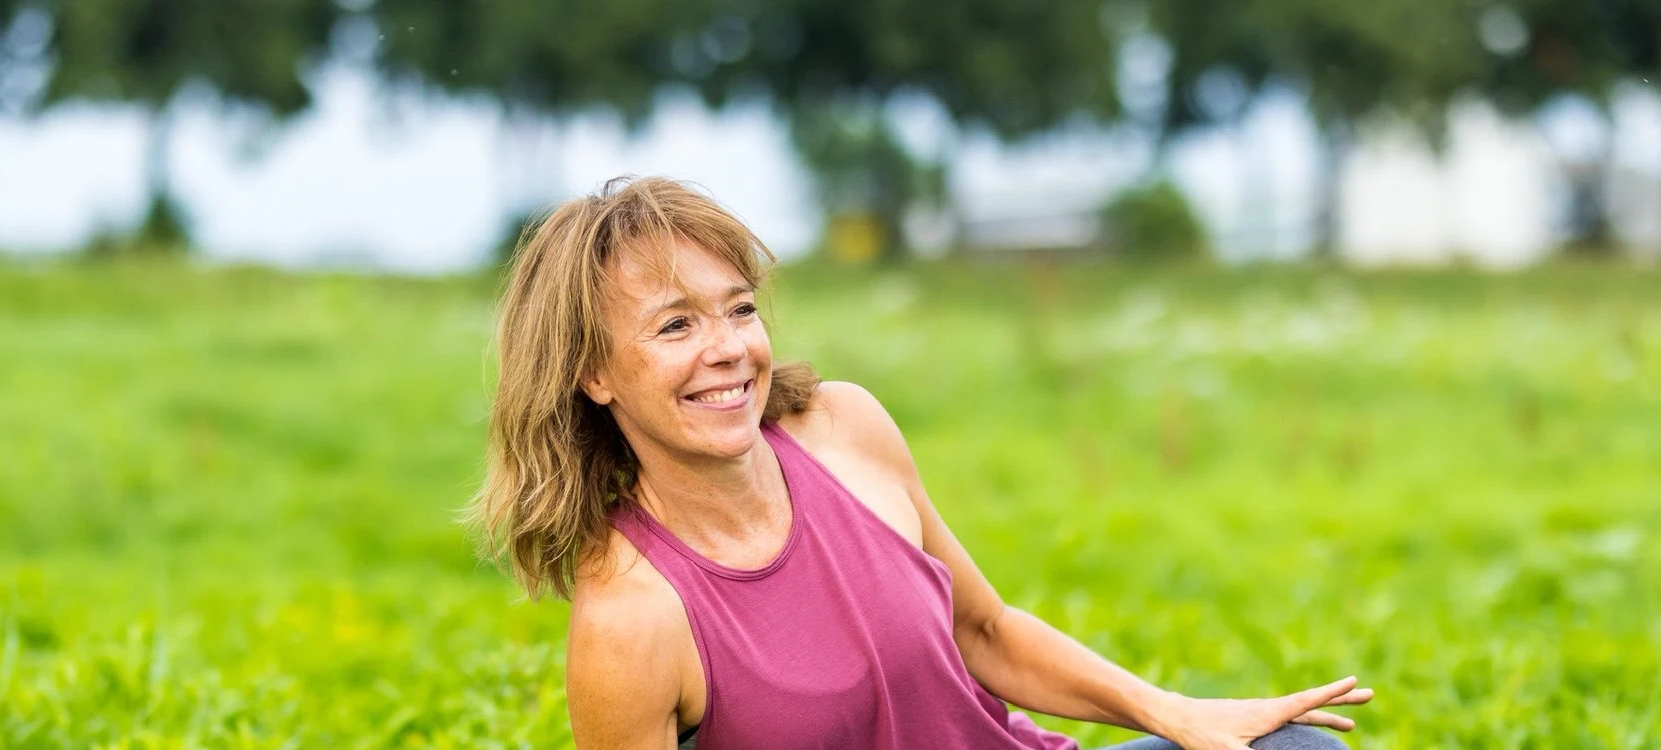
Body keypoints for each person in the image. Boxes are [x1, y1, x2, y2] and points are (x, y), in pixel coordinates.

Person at [474, 176, 1374, 749]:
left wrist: (1177, 714)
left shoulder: (843, 427)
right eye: (675, 325)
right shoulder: (630, 617)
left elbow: (984, 634)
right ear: (592, 373)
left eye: (739, 309)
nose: (727, 350)